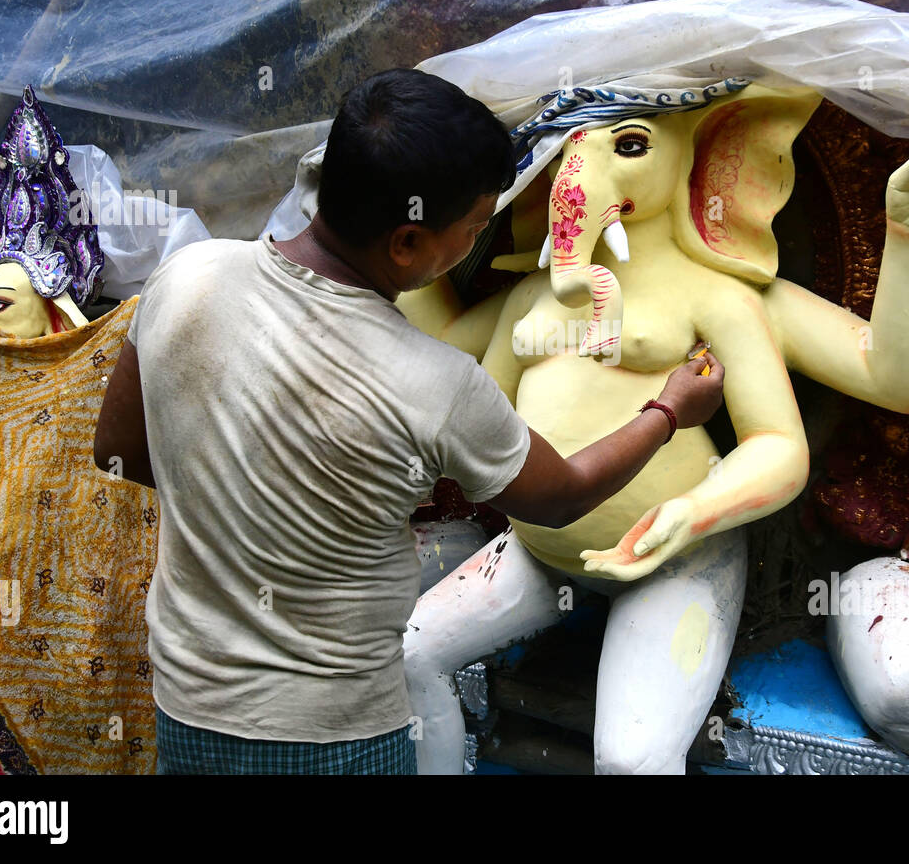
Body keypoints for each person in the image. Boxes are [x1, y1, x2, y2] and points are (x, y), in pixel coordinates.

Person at [92, 67, 724, 774]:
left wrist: (240, 491)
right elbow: (564, 494)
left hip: (187, 707)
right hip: (336, 737)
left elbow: (118, 450)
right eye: (472, 229)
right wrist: (670, 410)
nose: (475, 243)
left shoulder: (187, 277)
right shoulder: (436, 385)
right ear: (405, 244)